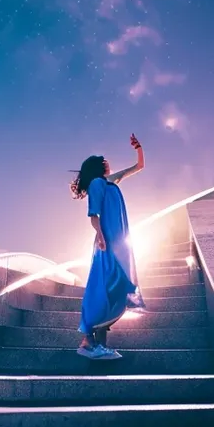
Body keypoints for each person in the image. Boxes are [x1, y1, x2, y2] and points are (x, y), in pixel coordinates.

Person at [70, 134, 146, 360]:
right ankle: (88, 342)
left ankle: (97, 344)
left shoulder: (110, 181)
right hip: (108, 242)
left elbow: (139, 167)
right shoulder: (96, 184)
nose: (107, 162)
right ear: (97, 166)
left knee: (117, 289)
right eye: (102, 161)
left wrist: (138, 147)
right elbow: (93, 214)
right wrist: (101, 237)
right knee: (105, 287)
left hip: (120, 240)